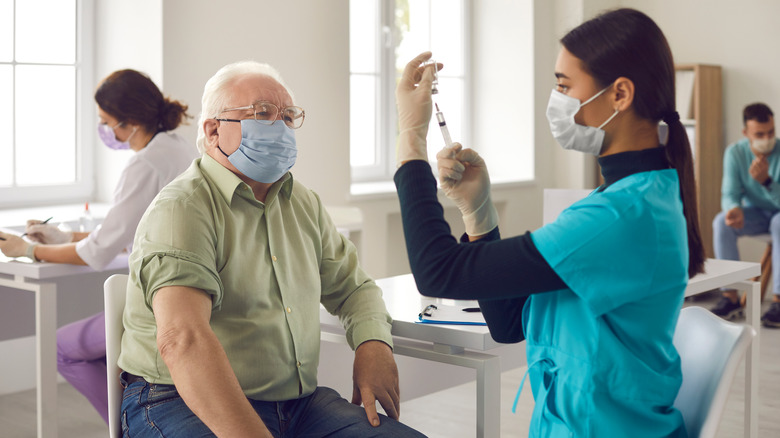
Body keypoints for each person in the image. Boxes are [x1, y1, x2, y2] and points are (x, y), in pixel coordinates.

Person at [393, 8, 705, 438]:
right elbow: (509, 322)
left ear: (620, 94)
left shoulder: (619, 217)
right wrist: (477, 211)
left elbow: (437, 271)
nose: (556, 100)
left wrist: (410, 139)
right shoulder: (625, 200)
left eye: (564, 85)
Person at [116, 60, 424, 438]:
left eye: (288, 116)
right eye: (262, 114)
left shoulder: (303, 203)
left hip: (296, 404)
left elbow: (355, 289)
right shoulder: (183, 208)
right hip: (176, 399)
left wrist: (373, 345)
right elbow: (184, 339)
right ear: (213, 130)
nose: (279, 127)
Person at [0, 69, 197, 424]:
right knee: (103, 350)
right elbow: (130, 233)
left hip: (160, 305)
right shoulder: (179, 148)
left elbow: (98, 253)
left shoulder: (145, 163)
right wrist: (63, 238)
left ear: (131, 121)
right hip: (191, 293)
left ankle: (129, 428)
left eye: (106, 122)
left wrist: (26, 250)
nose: (105, 130)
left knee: (64, 348)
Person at [711, 102, 780, 327]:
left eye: (771, 132)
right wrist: (734, 210)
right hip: (757, 215)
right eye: (759, 134)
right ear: (746, 133)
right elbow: (729, 193)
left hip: (778, 215)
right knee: (721, 222)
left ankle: (778, 301)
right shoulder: (736, 152)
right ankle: (730, 297)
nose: (767, 138)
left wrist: (767, 182)